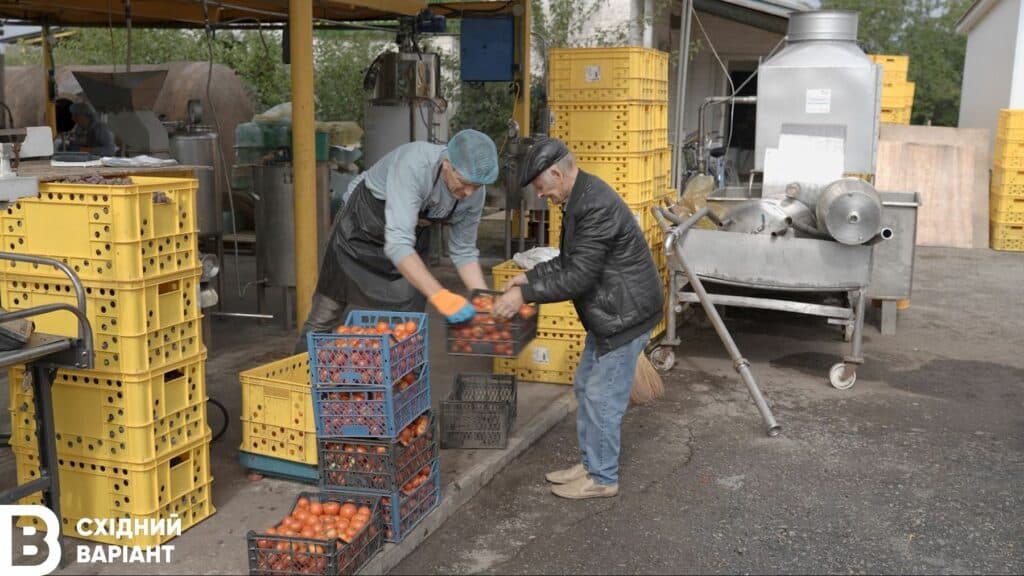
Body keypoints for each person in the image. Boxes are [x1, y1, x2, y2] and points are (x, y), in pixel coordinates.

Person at [493, 137, 664, 500]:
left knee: (602, 395)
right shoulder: (578, 199)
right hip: (612, 312)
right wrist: (531, 276)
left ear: (556, 172)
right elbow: (571, 260)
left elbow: (579, 277)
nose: (541, 195)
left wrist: (523, 294)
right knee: (587, 383)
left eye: (541, 187)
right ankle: (591, 463)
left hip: (625, 315)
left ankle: (602, 477)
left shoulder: (593, 205)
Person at [294, 129, 499, 353]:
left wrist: (483, 300)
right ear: (447, 163)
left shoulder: (473, 192)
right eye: (463, 183)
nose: (469, 193)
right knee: (327, 309)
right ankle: (302, 378)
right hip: (361, 226)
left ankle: (396, 382)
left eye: (476, 187)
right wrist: (440, 295)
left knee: (408, 323)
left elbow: (464, 250)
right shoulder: (415, 165)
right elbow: (398, 244)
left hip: (408, 235)